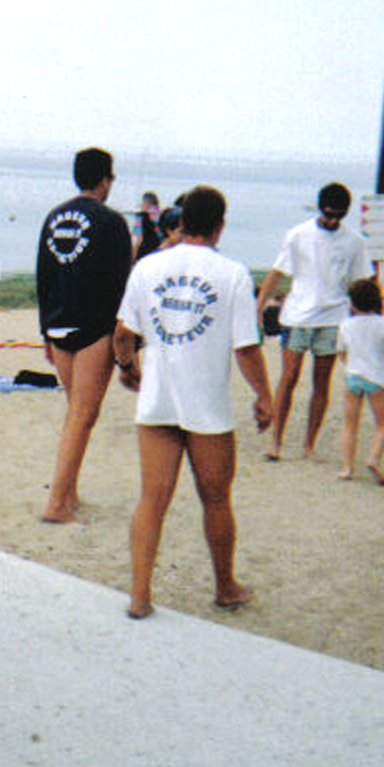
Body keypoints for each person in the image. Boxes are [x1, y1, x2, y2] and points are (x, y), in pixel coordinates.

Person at [114, 185, 273, 620]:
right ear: (220, 225)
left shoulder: (148, 266)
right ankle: (225, 587)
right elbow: (246, 348)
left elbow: (124, 333)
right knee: (217, 499)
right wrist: (265, 395)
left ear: (181, 221)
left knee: (152, 500)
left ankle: (140, 595)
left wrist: (127, 367)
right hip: (208, 408)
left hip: (159, 400)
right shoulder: (234, 274)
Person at [35, 147, 132, 524]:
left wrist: (45, 331)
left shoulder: (53, 217)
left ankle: (69, 492)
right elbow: (122, 284)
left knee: (76, 413)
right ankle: (57, 504)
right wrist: (128, 347)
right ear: (104, 179)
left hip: (58, 324)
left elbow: (44, 276)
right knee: (82, 415)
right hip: (94, 329)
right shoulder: (111, 222)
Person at [254, 182, 373, 462]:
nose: (332, 221)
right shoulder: (298, 235)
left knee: (321, 380)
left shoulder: (355, 242)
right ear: (319, 209)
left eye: (338, 216)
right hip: (297, 315)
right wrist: (258, 306)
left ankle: (310, 445)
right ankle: (276, 441)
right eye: (328, 214)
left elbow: (362, 282)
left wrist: (365, 320)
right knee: (289, 376)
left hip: (333, 317)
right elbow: (278, 271)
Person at [336, 277, 384, 486]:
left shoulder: (346, 325)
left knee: (350, 425)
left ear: (353, 303)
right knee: (383, 424)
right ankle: (373, 459)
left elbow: (341, 352)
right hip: (376, 378)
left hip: (353, 376)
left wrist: (349, 365)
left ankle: (347, 467)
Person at [133, 191, 163, 260]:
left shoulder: (140, 217)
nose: (141, 205)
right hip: (159, 252)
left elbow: (139, 239)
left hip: (144, 254)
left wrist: (132, 257)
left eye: (142, 203)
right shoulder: (163, 215)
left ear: (147, 204)